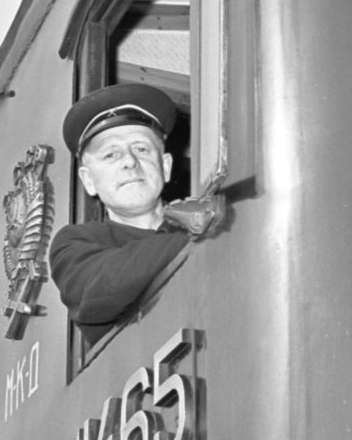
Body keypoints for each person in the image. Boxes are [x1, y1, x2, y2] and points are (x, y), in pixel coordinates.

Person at [49, 84, 222, 328]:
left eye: (141, 149)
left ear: (165, 166)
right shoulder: (75, 242)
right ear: (89, 181)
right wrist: (207, 234)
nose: (130, 161)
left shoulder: (206, 218)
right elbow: (100, 291)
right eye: (111, 155)